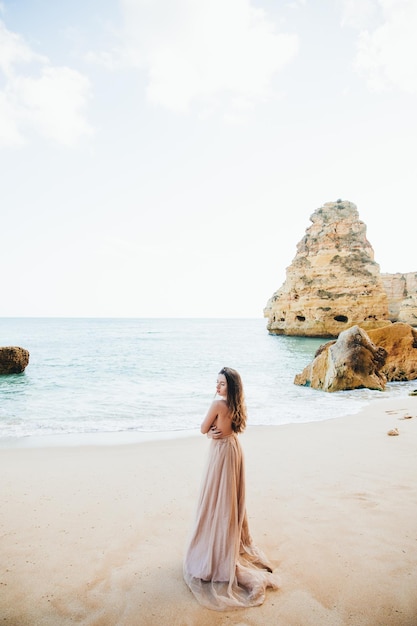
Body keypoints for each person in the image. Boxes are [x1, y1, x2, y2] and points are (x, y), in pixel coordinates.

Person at [183, 366, 279, 610]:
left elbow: (204, 428)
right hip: (234, 449)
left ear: (230, 387)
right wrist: (213, 433)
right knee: (228, 501)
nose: (217, 387)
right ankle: (225, 545)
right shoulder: (238, 405)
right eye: (216, 382)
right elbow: (229, 430)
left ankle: (215, 552)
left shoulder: (218, 405)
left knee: (216, 501)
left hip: (221, 454)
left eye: (222, 384)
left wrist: (209, 434)